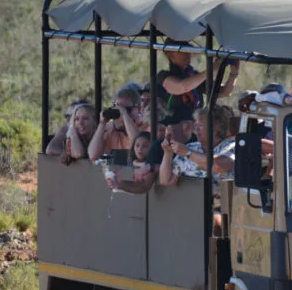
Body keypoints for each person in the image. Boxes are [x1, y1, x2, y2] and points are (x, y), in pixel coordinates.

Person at [159, 105, 235, 235]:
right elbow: (167, 180)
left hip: (223, 217)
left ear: (215, 128)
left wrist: (188, 153)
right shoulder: (191, 147)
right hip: (190, 215)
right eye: (195, 125)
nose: (195, 129)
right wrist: (167, 153)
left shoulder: (230, 145)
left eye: (200, 125)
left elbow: (218, 165)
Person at [103, 105, 196, 195]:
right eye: (166, 126)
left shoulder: (200, 143)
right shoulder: (158, 146)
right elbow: (144, 186)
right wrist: (121, 184)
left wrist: (152, 167)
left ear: (187, 127)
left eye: (170, 126)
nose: (167, 131)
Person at [157, 38, 239, 112]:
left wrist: (234, 73)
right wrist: (211, 69)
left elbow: (224, 92)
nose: (187, 52)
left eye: (188, 48)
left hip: (195, 126)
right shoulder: (163, 76)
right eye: (182, 50)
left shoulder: (194, 75)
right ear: (170, 54)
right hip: (171, 126)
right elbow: (182, 86)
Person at [88, 87, 141, 160]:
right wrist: (102, 123)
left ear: (139, 109)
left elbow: (138, 143)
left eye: (127, 109)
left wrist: (125, 115)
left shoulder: (147, 127)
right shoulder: (109, 129)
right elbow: (93, 155)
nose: (121, 114)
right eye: (117, 109)